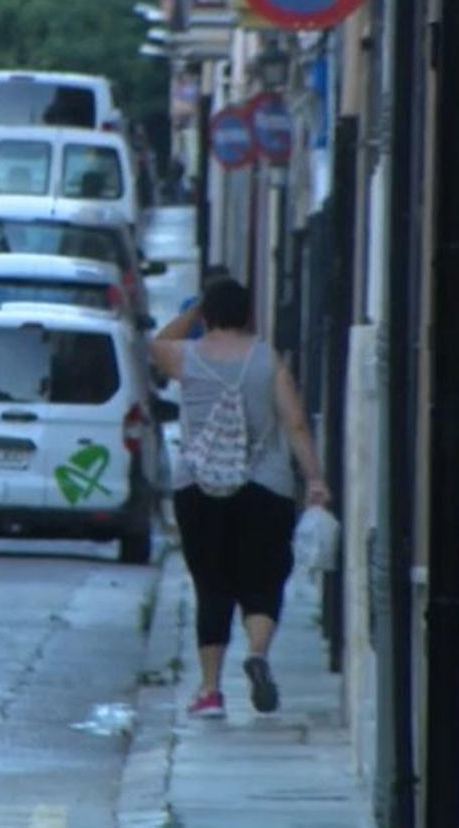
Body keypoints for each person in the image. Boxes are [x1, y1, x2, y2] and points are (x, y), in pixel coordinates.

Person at [149, 278, 330, 719]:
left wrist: (193, 312)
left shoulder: (186, 358)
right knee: (263, 579)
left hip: (198, 487)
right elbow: (296, 426)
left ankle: (210, 691)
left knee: (211, 585)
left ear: (208, 313)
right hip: (264, 487)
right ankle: (258, 654)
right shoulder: (269, 362)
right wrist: (316, 480)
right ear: (250, 314)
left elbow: (157, 342)